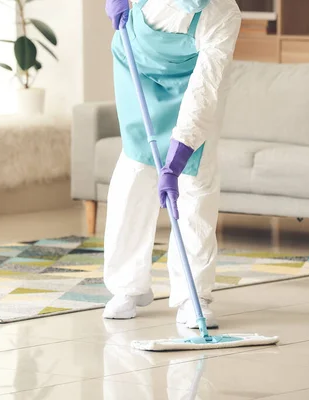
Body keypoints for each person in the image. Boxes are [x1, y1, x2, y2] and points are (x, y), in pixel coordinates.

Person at [103, 0, 241, 328]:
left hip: (190, 85)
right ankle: (127, 286)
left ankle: (193, 296)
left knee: (196, 185)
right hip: (134, 62)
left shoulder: (223, 13)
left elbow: (203, 93)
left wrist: (178, 159)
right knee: (135, 175)